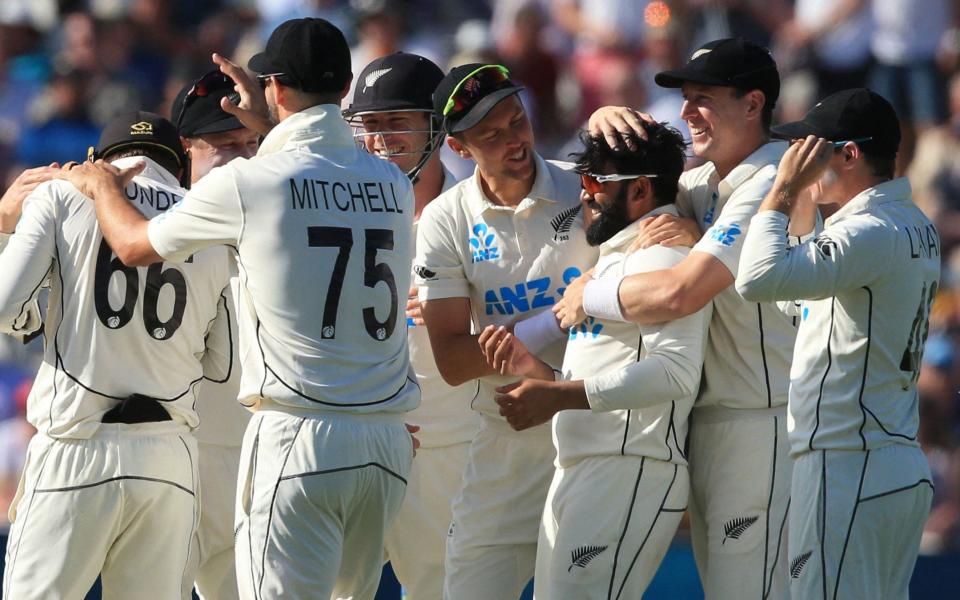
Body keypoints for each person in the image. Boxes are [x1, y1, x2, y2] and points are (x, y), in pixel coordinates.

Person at [58, 17, 418, 600]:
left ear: (273, 87)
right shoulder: (392, 184)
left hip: (299, 434)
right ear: (347, 87)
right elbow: (322, 164)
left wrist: (101, 185)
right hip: (385, 444)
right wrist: (273, 122)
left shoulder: (249, 184)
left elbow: (131, 246)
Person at [562, 38, 809, 599]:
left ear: (752, 104)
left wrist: (592, 293)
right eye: (685, 98)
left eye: (703, 98)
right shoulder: (702, 183)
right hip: (714, 427)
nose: (686, 112)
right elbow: (602, 183)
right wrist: (602, 120)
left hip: (764, 423)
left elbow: (681, 294)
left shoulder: (772, 180)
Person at [0, 111, 231, 599]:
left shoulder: (63, 194)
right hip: (168, 454)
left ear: (96, 162)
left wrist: (3, 225)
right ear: (180, 164)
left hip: (76, 445)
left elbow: (4, 309)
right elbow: (221, 364)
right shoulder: (208, 219)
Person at [481, 123, 709, 598]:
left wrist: (558, 394)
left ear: (641, 188)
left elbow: (675, 372)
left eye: (593, 182)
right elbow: (604, 378)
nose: (583, 195)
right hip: (587, 467)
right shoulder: (611, 261)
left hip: (628, 470)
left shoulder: (664, 256)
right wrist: (535, 371)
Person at [736, 88, 938, 599]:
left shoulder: (869, 231)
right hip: (888, 460)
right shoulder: (909, 224)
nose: (796, 162)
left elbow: (756, 278)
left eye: (808, 149)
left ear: (849, 154)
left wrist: (784, 190)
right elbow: (797, 303)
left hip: (848, 461)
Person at [413, 63, 598, 599]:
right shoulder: (447, 220)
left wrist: (516, 351)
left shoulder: (583, 186)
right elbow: (452, 360)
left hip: (592, 423)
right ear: (459, 147)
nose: (514, 141)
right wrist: (550, 323)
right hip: (506, 433)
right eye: (491, 135)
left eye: (517, 121)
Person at [343, 51, 479, 600]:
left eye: (396, 122)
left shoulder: (477, 209)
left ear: (435, 126)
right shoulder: (336, 207)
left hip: (447, 443)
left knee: (442, 589)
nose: (380, 139)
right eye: (369, 125)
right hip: (356, 437)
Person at [172, 69, 258, 600]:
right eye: (225, 146)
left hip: (258, 450)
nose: (243, 159)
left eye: (251, 143)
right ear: (187, 150)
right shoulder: (147, 228)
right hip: (176, 451)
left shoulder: (281, 214)